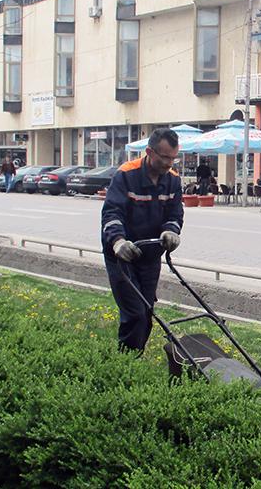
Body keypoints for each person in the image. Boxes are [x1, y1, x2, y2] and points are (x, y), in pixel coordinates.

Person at [101, 128, 184, 353]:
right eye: (165, 157)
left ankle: (134, 357)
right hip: (122, 255)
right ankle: (125, 362)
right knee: (134, 313)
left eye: (173, 158)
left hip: (149, 255)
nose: (169, 163)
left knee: (146, 312)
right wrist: (118, 241)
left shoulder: (173, 181)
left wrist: (170, 232)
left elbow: (174, 215)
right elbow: (112, 213)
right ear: (149, 151)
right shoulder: (126, 175)